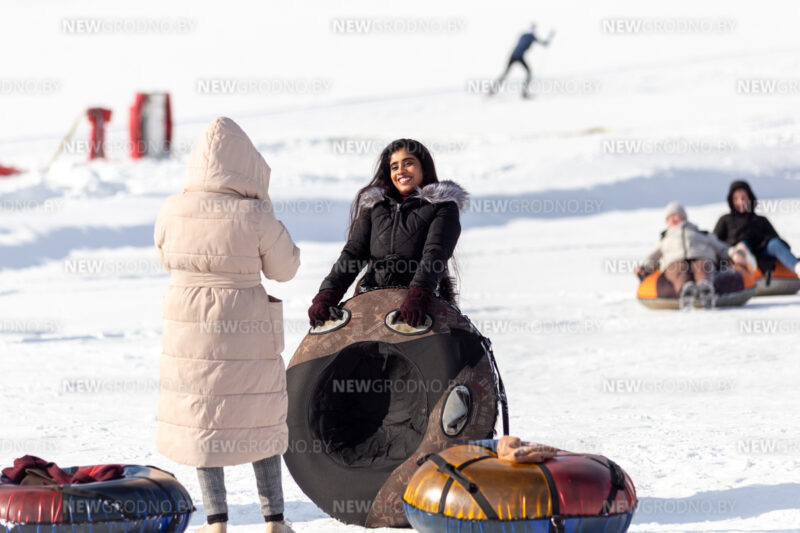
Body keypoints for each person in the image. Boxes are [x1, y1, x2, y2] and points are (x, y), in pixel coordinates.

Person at [154, 117, 300, 533]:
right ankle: (275, 521)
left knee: (204, 419)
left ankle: (216, 522)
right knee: (259, 418)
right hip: (247, 328)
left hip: (189, 327)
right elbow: (285, 268)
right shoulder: (253, 212)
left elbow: (165, 258)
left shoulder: (172, 208)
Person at [308, 138, 468, 327]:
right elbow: (354, 253)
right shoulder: (375, 206)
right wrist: (328, 293)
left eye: (408, 163)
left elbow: (435, 253)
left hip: (421, 301)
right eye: (394, 166)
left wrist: (418, 294)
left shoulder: (443, 206)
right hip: (372, 298)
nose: (401, 170)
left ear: (424, 167)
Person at [635, 202, 747, 309]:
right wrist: (644, 267)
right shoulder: (665, 239)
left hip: (701, 257)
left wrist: (735, 253)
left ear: (683, 217)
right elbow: (653, 257)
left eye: (675, 215)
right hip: (675, 261)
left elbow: (721, 248)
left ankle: (705, 289)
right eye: (669, 218)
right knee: (678, 268)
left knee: (703, 265)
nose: (673, 219)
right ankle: (686, 291)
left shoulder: (701, 233)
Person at [713, 180, 800, 276]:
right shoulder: (725, 220)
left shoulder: (760, 220)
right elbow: (715, 242)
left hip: (761, 252)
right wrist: (733, 246)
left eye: (743, 198)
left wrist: (763, 242)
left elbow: (775, 238)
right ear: (731, 201)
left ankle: (797, 267)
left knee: (774, 243)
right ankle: (748, 270)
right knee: (742, 245)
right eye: (736, 198)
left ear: (750, 198)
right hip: (737, 252)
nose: (740, 201)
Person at [490, 23, 554, 99]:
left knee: (506, 73)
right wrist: (550, 36)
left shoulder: (523, 35)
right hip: (518, 56)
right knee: (528, 73)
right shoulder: (532, 37)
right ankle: (523, 92)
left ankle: (492, 90)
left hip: (513, 55)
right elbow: (544, 44)